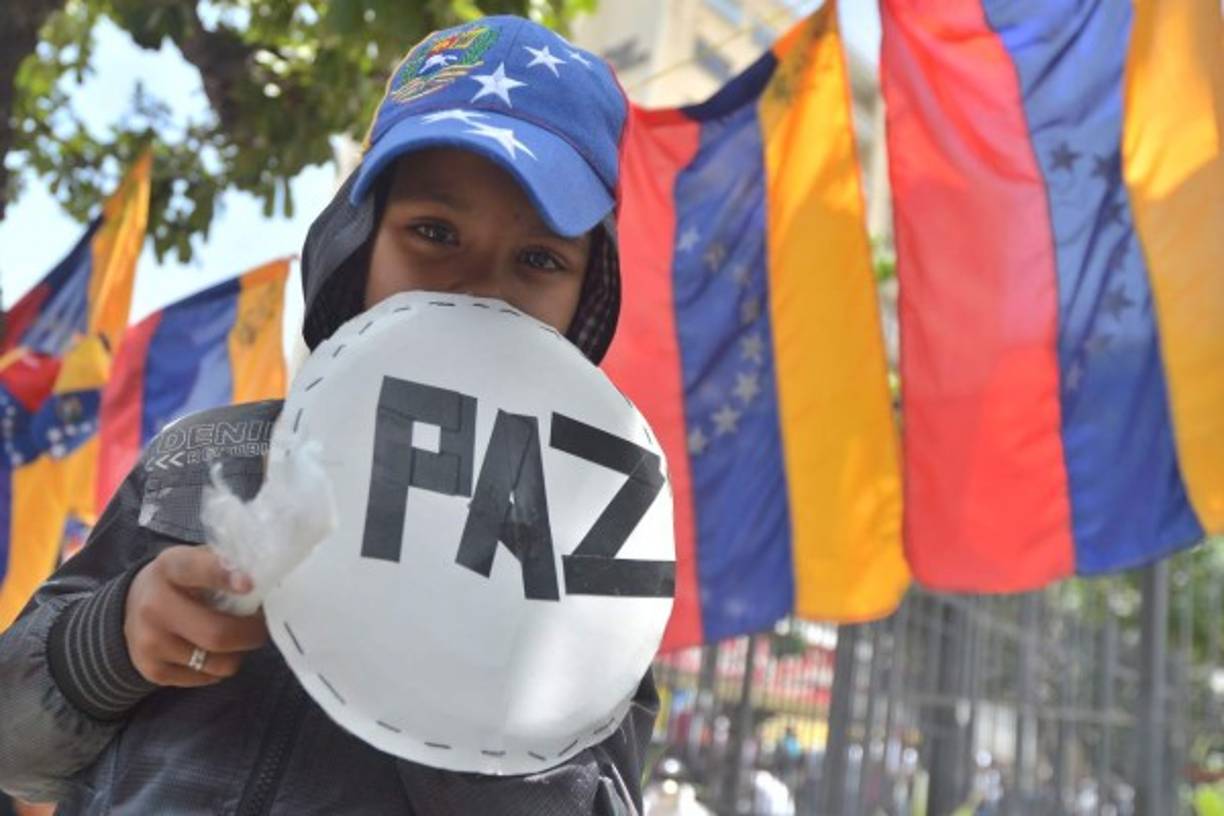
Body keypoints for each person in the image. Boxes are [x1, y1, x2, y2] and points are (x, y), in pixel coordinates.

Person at [0, 15, 655, 815]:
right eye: (434, 233)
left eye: (539, 260)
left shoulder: (591, 555)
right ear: (356, 244)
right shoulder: (203, 458)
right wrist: (115, 638)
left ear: (585, 301)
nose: (478, 287)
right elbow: (13, 744)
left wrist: (483, 696)